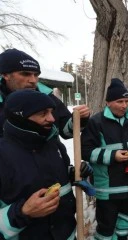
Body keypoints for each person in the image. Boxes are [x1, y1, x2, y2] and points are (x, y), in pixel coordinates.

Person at [0, 90, 93, 239]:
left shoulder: (52, 143)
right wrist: (23, 212)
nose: (51, 118)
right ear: (20, 117)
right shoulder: (3, 155)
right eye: (43, 113)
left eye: (51, 112)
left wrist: (72, 172)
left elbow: (52, 173)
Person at [81, 78, 128, 240]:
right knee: (106, 225)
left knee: (126, 219)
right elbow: (85, 151)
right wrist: (113, 156)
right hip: (108, 187)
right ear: (108, 102)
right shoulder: (96, 122)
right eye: (119, 101)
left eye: (126, 101)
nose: (124, 105)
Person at [0, 48, 90, 138]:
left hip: (50, 152)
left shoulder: (47, 97)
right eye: (25, 74)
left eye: (36, 75)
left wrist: (79, 119)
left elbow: (66, 132)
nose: (33, 80)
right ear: (5, 75)